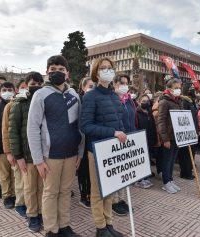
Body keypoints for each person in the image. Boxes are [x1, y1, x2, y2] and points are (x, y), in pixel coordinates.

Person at [27, 55, 84, 237]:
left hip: (71, 154)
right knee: (51, 192)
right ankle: (51, 229)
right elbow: (32, 128)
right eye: (53, 69)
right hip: (50, 155)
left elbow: (80, 126)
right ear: (47, 72)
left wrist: (80, 153)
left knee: (65, 191)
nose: (57, 72)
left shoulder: (74, 95)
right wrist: (38, 160)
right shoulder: (40, 94)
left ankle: (64, 226)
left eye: (61, 69)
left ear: (67, 73)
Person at [81, 56, 125, 237]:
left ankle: (109, 223)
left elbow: (119, 122)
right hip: (98, 150)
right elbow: (85, 126)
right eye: (103, 68)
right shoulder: (91, 96)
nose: (107, 70)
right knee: (99, 191)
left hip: (113, 150)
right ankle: (100, 227)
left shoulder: (115, 96)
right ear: (96, 73)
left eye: (110, 67)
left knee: (111, 188)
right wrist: (112, 133)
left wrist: (123, 136)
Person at [9, 71, 44, 232]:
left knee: (43, 187)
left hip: (44, 154)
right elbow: (13, 132)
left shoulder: (45, 101)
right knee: (30, 187)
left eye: (39, 84)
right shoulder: (19, 104)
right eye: (32, 84)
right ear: (25, 85)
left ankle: (41, 213)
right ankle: (32, 215)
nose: (36, 87)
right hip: (27, 155)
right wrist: (18, 156)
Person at [1, 79, 29, 217]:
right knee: (20, 179)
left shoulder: (35, 103)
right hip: (17, 150)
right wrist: (9, 152)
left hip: (31, 151)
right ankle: (20, 204)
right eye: (23, 87)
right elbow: (6, 131)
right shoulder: (11, 106)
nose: (26, 89)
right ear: (17, 89)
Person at [111, 73, 137, 216]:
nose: (124, 86)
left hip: (129, 140)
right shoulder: (112, 99)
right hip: (117, 140)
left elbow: (133, 120)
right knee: (117, 172)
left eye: (126, 83)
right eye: (121, 83)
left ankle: (121, 199)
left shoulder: (128, 101)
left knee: (125, 172)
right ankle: (114, 201)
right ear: (114, 84)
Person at [158, 79, 182, 193]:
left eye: (179, 87)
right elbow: (161, 121)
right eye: (176, 88)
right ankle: (166, 182)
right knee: (167, 160)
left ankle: (170, 180)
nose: (178, 90)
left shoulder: (178, 101)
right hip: (169, 136)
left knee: (172, 159)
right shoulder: (164, 102)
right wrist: (165, 138)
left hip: (177, 136)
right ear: (169, 89)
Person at [77, 77, 93, 210]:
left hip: (93, 141)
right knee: (83, 171)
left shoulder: (96, 101)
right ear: (83, 88)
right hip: (82, 141)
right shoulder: (79, 101)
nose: (92, 89)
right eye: (90, 86)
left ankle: (91, 194)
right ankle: (84, 196)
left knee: (91, 172)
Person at [177, 82, 199, 180]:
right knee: (186, 153)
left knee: (192, 152)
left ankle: (189, 170)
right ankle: (185, 172)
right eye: (190, 88)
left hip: (193, 130)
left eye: (193, 87)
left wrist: (197, 130)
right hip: (186, 131)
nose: (193, 89)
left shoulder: (192, 101)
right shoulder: (184, 101)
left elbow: (195, 117)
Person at [135, 94, 157, 188]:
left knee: (147, 160)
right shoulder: (136, 113)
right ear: (139, 102)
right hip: (140, 141)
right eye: (143, 101)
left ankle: (144, 178)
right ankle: (139, 180)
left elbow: (153, 127)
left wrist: (154, 139)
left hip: (149, 140)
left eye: (147, 101)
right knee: (140, 161)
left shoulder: (149, 113)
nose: (145, 103)